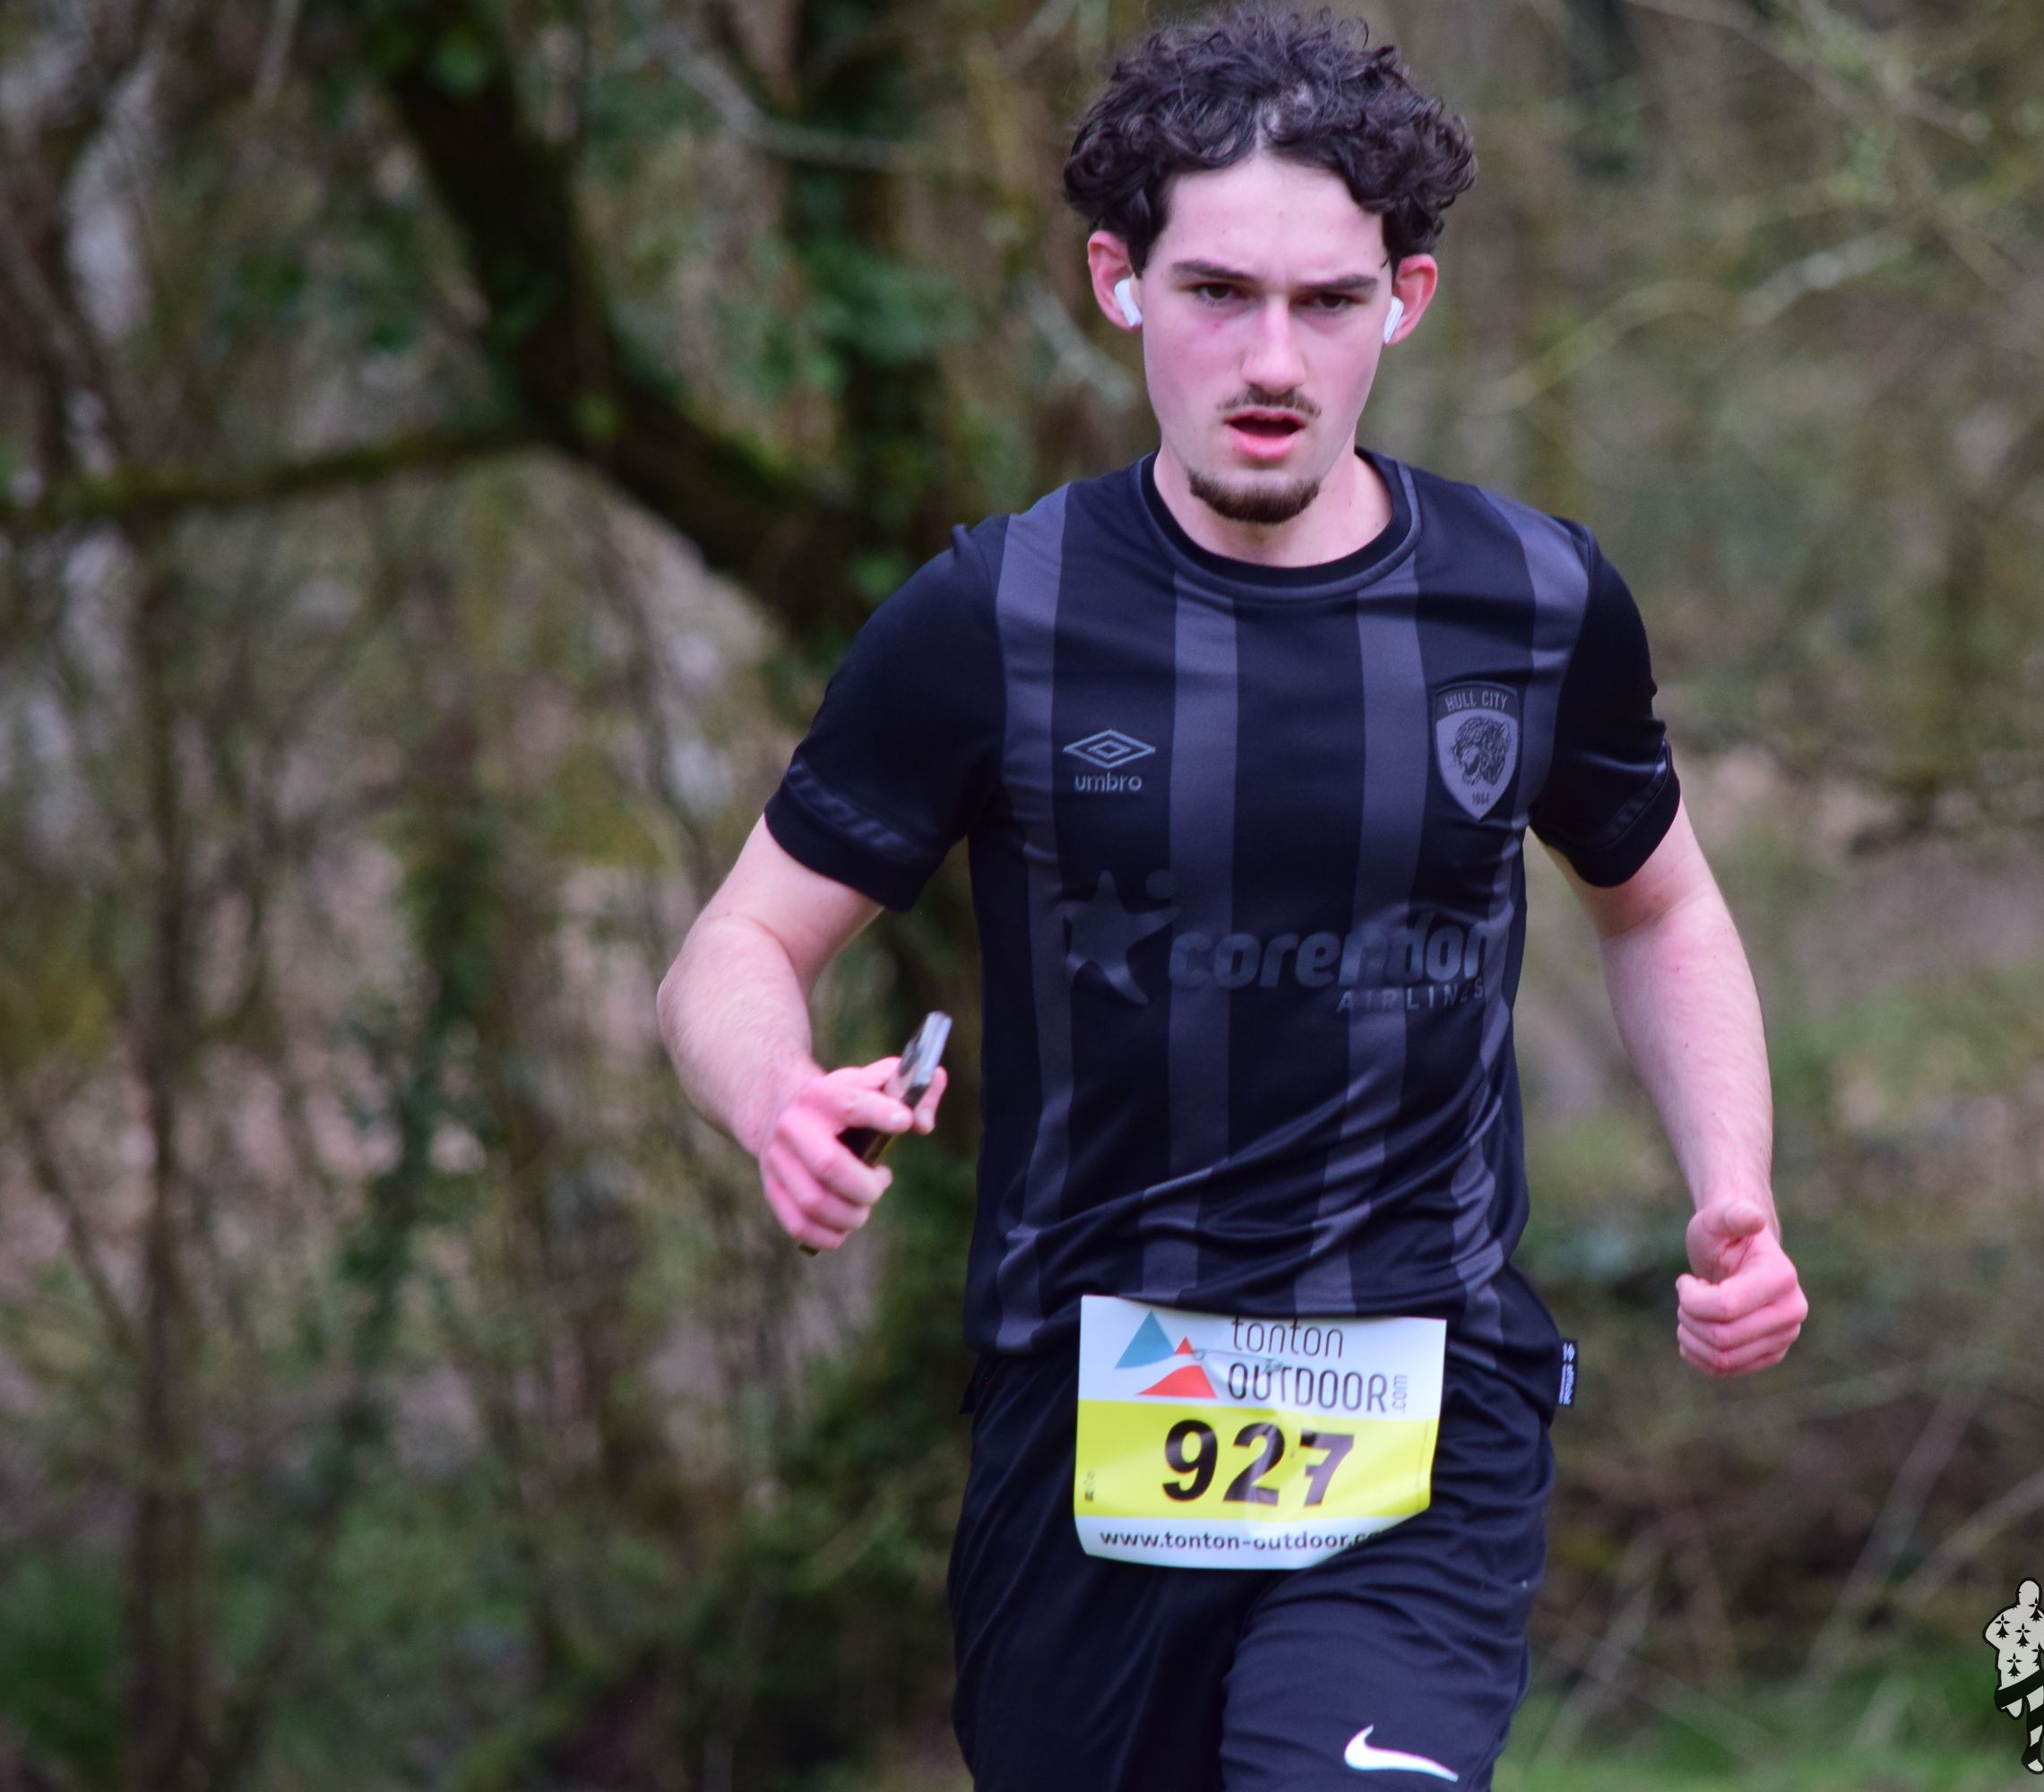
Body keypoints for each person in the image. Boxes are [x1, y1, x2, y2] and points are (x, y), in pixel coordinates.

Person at [654, 6, 1806, 1786]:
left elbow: (1656, 904)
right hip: (1089, 1420)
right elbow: (734, 949)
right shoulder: (994, 619)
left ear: (1403, 301)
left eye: (1327, 302)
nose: (1272, 358)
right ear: (1117, 283)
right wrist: (774, 1096)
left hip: (1421, 1405)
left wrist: (1734, 1190)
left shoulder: (1531, 602)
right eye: (1216, 294)